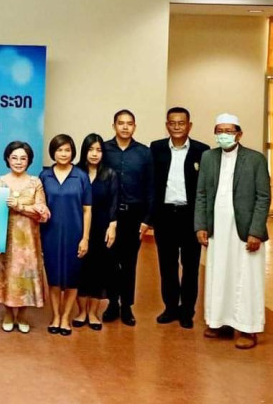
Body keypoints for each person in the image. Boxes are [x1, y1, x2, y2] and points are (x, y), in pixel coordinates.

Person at [195, 113, 270, 349]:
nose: (224, 135)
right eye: (219, 131)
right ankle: (220, 322)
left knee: (246, 277)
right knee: (219, 275)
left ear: (239, 133)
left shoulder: (255, 159)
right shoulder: (208, 157)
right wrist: (201, 225)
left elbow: (263, 197)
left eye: (229, 131)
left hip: (245, 231)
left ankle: (248, 328)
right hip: (217, 230)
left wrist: (256, 231)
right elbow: (201, 194)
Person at [150, 107, 209, 329]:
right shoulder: (156, 148)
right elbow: (152, 183)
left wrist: (204, 221)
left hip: (190, 216)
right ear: (167, 125)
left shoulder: (202, 151)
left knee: (191, 266)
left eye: (181, 123)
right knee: (167, 265)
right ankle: (170, 308)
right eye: (172, 123)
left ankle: (187, 311)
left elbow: (206, 188)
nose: (176, 127)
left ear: (189, 125)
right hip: (165, 215)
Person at [0, 141, 50, 334]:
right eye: (14, 158)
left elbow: (43, 213)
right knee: (7, 275)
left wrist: (20, 207)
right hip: (6, 238)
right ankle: (8, 313)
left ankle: (23, 314)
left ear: (29, 161)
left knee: (25, 276)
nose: (18, 162)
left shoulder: (35, 182)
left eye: (23, 158)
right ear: (7, 159)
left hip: (29, 241)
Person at [103, 109, 153, 326]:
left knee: (129, 262)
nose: (125, 127)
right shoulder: (104, 149)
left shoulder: (144, 153)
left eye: (129, 123)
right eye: (121, 123)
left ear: (134, 126)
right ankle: (112, 303)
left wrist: (147, 220)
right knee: (110, 261)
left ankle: (126, 307)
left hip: (134, 215)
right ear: (114, 125)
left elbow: (151, 187)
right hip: (109, 216)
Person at [39, 134, 91, 336]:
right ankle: (55, 316)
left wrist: (85, 238)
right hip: (50, 234)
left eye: (67, 150)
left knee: (72, 278)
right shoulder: (45, 176)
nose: (63, 154)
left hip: (74, 234)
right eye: (59, 150)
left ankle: (65, 318)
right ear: (53, 152)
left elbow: (87, 210)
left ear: (73, 152)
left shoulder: (81, 176)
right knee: (53, 278)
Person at [74, 134, 118, 331]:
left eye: (98, 150)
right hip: (79, 227)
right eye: (91, 149)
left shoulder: (109, 174)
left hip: (101, 228)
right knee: (80, 271)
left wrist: (112, 226)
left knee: (98, 271)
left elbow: (114, 202)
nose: (94, 154)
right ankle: (81, 312)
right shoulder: (76, 173)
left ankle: (93, 313)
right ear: (84, 151)